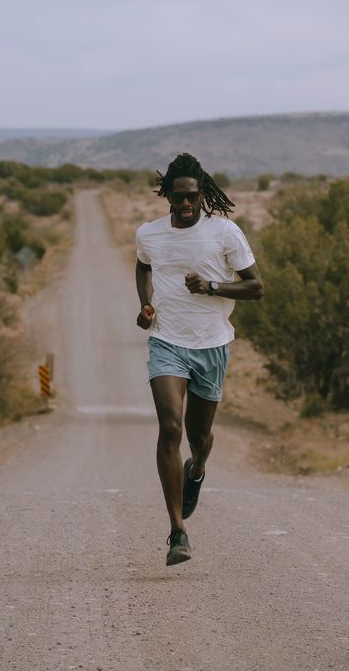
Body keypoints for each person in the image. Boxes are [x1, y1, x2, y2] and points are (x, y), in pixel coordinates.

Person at [135, 153, 264, 566]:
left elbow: (256, 287)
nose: (186, 204)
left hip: (211, 345)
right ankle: (177, 532)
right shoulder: (150, 233)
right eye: (178, 198)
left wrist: (211, 286)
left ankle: (197, 469)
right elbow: (142, 267)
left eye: (192, 197)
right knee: (169, 428)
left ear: (202, 194)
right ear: (168, 197)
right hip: (166, 341)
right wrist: (146, 304)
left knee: (199, 439)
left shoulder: (225, 232)